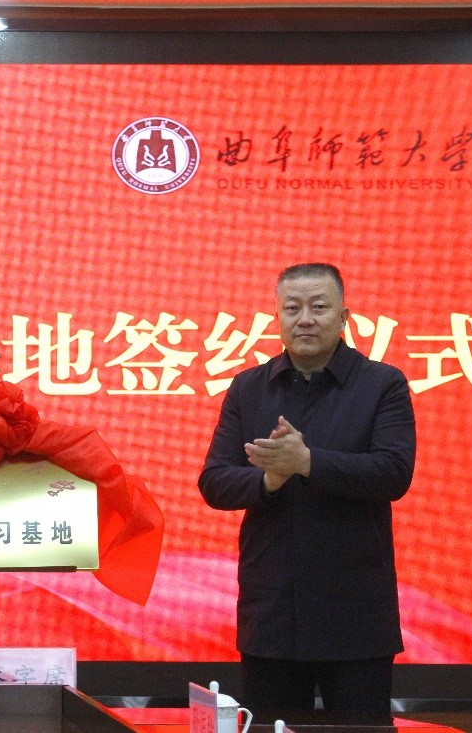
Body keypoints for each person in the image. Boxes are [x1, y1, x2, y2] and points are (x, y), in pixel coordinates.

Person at [198, 263, 415, 723]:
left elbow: (393, 473)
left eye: (319, 307)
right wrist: (268, 481)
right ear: (277, 316)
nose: (305, 319)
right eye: (292, 308)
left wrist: (308, 462)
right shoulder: (249, 387)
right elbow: (214, 481)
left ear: (344, 317)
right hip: (272, 613)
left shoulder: (383, 384)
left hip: (356, 616)